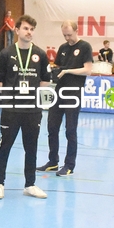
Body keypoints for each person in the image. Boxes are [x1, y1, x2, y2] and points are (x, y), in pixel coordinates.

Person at [0, 15, 51, 199]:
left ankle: (30, 184)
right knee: (4, 146)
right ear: (17, 30)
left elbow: (45, 81)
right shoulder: (6, 54)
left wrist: (33, 96)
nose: (29, 32)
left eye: (32, 29)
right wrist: (11, 98)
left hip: (33, 111)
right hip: (11, 111)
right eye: (25, 28)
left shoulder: (40, 54)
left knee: (31, 148)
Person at [36, 21, 93, 176]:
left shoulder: (85, 47)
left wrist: (68, 71)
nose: (67, 38)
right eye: (65, 35)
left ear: (76, 30)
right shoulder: (63, 48)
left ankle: (69, 165)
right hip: (59, 92)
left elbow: (88, 70)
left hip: (73, 93)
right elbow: (58, 67)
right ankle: (53, 161)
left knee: (70, 130)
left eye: (69, 35)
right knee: (52, 126)